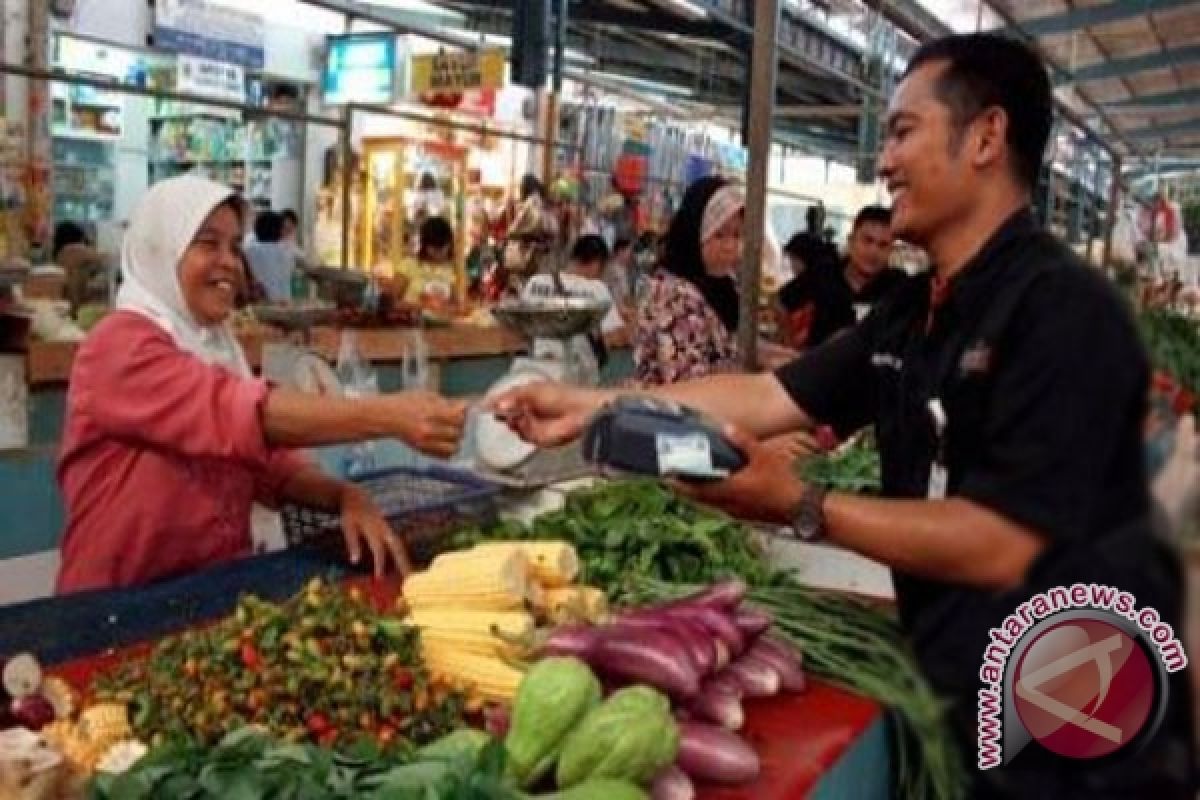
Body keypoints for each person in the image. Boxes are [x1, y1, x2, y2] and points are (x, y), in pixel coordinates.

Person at [491, 34, 1195, 798]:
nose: (883, 163)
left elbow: (1008, 542)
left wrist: (802, 505)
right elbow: (763, 398)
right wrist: (591, 407)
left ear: (986, 136)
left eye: (902, 132)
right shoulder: (912, 314)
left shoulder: (1062, 311)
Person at [57, 176, 468, 593]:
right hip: (113, 606)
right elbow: (238, 413)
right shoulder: (117, 346)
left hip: (208, 596)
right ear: (161, 249)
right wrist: (388, 415)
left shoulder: (218, 346)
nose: (229, 262)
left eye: (235, 246)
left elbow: (270, 468)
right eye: (208, 243)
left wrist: (345, 496)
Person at [632, 176, 794, 387]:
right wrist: (760, 375)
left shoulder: (721, 283)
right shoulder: (673, 294)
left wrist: (782, 357)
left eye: (737, 235)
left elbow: (730, 344)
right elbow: (689, 383)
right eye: (719, 235)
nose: (730, 246)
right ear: (694, 232)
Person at [777, 205, 907, 349]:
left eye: (883, 245)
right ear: (851, 241)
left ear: (891, 251)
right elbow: (781, 302)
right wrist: (789, 348)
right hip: (820, 367)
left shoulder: (898, 284)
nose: (873, 252)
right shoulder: (825, 272)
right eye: (867, 241)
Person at [522, 234, 625, 373]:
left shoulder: (535, 283)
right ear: (597, 263)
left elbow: (523, 328)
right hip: (579, 371)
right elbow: (611, 336)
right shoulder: (597, 289)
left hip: (541, 367)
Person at [54, 220, 108, 316]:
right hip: (74, 307)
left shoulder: (60, 255)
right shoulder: (74, 250)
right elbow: (107, 260)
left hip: (66, 305)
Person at [243, 210, 295, 302]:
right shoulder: (284, 251)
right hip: (281, 304)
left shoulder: (247, 250)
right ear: (277, 230)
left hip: (255, 305)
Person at [783, 204, 838, 275]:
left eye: (816, 218)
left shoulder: (800, 238)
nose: (814, 222)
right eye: (812, 218)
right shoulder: (800, 238)